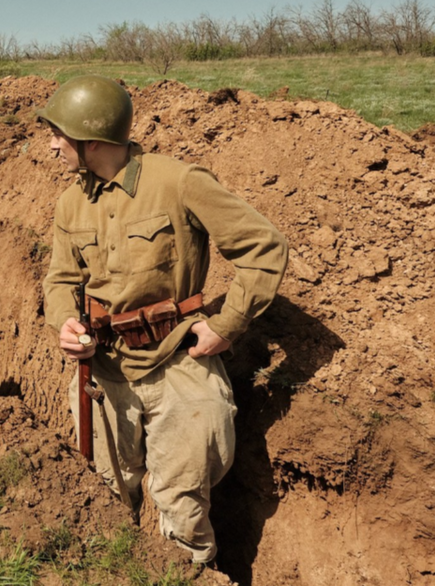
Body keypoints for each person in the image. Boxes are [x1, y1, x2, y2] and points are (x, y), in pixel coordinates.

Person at [38, 75, 287, 566]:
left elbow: (264, 247)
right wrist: (65, 324)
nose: (51, 145)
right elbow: (59, 280)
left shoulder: (179, 181)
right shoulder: (70, 203)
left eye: (59, 135)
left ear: (92, 138)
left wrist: (226, 324)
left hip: (178, 365)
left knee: (183, 504)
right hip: (105, 372)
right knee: (107, 496)